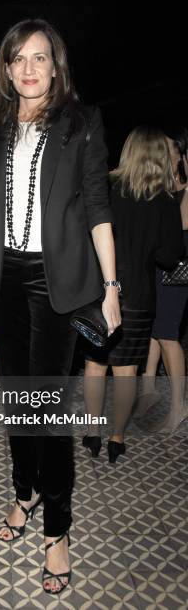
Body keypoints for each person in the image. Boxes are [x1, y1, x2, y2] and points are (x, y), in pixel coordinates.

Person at [0, 19, 121, 595]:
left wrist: (112, 289)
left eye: (40, 58)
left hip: (57, 282)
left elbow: (97, 207)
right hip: (4, 277)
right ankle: (24, 490)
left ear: (56, 65)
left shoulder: (81, 123)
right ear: (7, 68)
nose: (30, 69)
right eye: (19, 59)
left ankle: (57, 531)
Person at [82, 126, 184, 461]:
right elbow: (169, 257)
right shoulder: (165, 200)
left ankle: (93, 432)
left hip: (99, 291)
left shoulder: (108, 188)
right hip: (139, 298)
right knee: (126, 372)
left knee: (96, 366)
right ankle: (117, 437)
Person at [136, 126, 188, 432]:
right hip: (162, 265)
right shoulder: (167, 185)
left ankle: (179, 406)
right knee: (156, 329)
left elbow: (178, 235)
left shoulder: (182, 188)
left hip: (179, 268)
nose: (165, 154)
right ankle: (149, 389)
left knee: (167, 335)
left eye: (170, 149)